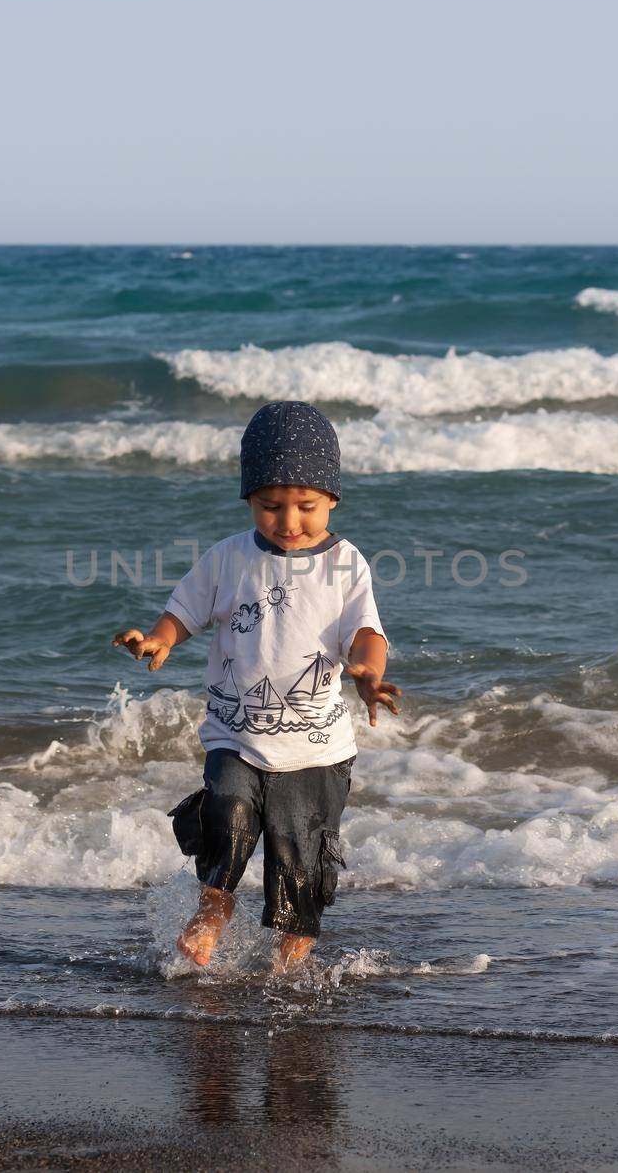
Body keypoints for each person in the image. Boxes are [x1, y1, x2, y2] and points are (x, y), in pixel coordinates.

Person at [112, 401, 400, 973]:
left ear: (333, 500)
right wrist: (161, 639)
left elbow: (367, 631)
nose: (289, 520)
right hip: (235, 735)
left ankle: (289, 962)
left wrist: (369, 672)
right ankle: (214, 907)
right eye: (271, 506)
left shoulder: (345, 563)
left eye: (306, 506)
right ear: (248, 499)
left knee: (300, 853)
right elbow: (185, 611)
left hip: (316, 749)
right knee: (228, 814)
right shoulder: (228, 558)